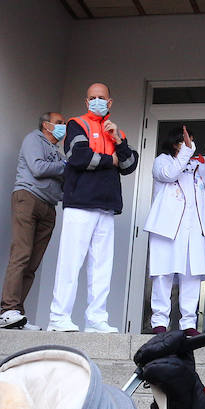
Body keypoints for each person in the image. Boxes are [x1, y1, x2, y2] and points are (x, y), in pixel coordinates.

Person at [48, 84, 138, 333]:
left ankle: (96, 319)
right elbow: (79, 157)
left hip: (106, 207)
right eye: (92, 98)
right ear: (86, 102)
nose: (97, 101)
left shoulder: (116, 132)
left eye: (102, 98)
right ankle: (59, 317)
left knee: (101, 267)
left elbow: (130, 164)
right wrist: (112, 161)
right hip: (80, 203)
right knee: (70, 262)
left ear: (110, 103)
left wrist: (118, 140)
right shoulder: (77, 124)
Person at [142, 125, 205, 335]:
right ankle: (159, 321)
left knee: (191, 275)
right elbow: (169, 174)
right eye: (185, 142)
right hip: (167, 227)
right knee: (163, 273)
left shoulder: (196, 164)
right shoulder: (162, 161)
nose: (189, 146)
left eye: (191, 142)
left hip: (193, 228)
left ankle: (188, 323)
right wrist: (186, 152)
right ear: (174, 143)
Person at [0, 112, 66, 330]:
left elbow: (61, 179)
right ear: (46, 125)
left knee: (33, 263)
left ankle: (17, 314)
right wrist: (65, 166)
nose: (62, 127)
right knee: (21, 254)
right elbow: (37, 168)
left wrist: (63, 167)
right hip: (28, 198)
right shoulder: (33, 139)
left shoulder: (57, 153)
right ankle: (7, 310)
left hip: (49, 206)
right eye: (58, 123)